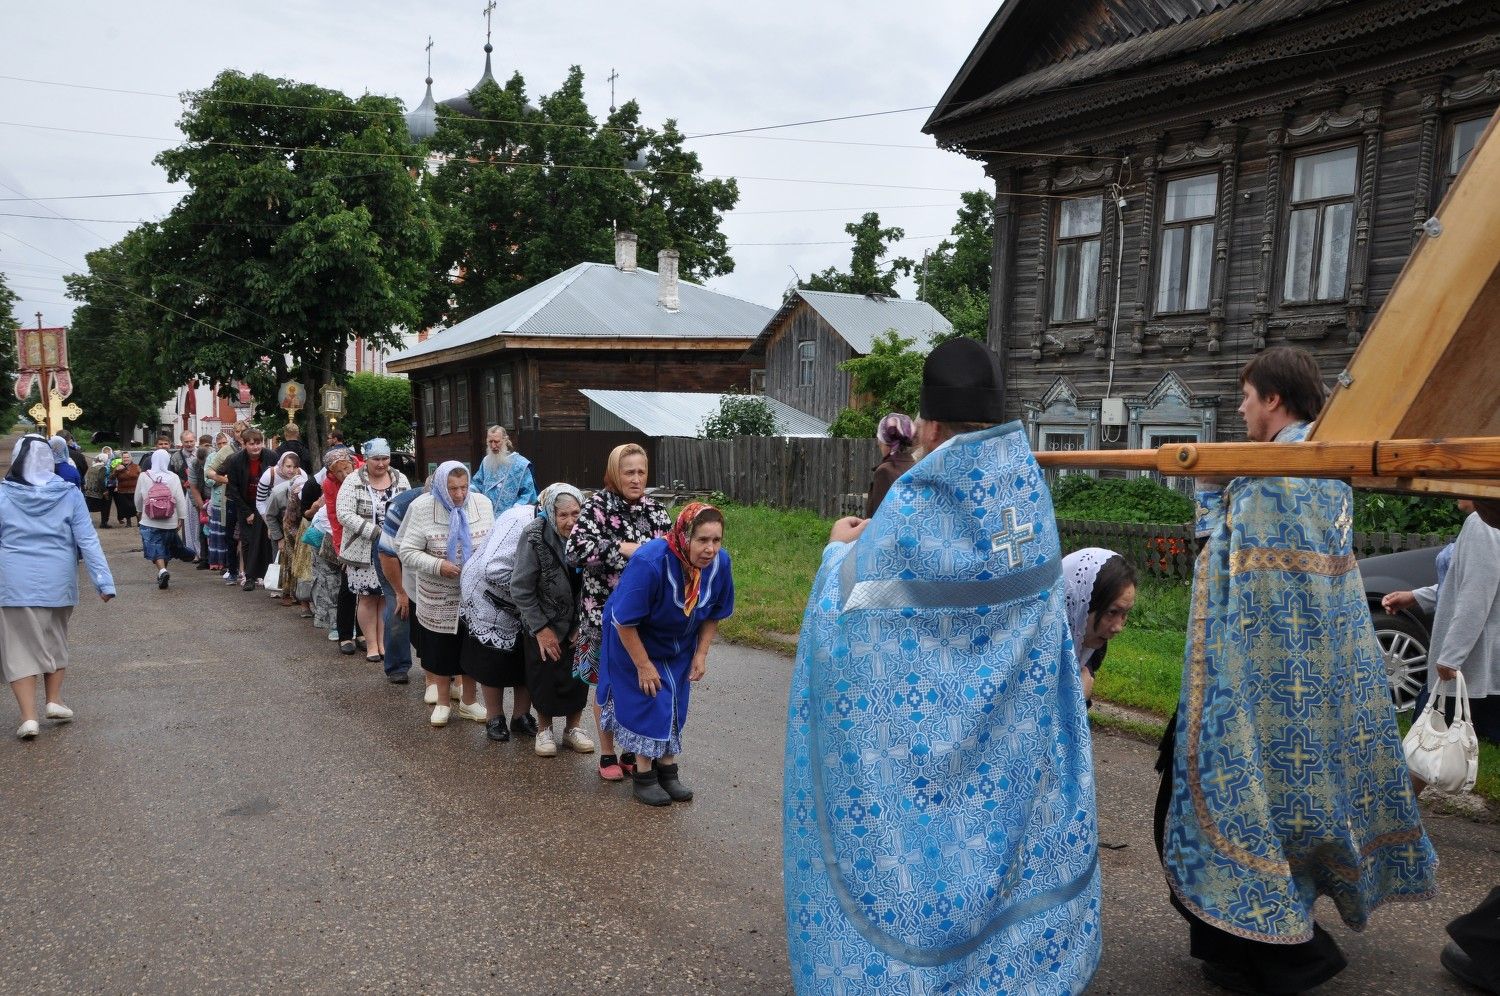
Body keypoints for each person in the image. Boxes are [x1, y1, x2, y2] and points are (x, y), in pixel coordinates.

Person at [783, 337, 1100, 994]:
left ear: (927, 423)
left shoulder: (915, 499)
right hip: (1010, 745)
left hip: (924, 759)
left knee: (925, 876)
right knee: (1000, 859)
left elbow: (853, 613)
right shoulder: (1027, 492)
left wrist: (834, 554)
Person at [1157, 346, 1437, 995]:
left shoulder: (1275, 472)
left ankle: (1286, 953)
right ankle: (1236, 950)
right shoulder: (1328, 465)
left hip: (1251, 682)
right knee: (1289, 810)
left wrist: (1208, 491)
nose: (1241, 409)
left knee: (1232, 807)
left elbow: (1221, 567)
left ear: (1274, 400)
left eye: (1247, 397)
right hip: (1316, 683)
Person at [599, 503, 732, 806]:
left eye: (717, 540)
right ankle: (644, 775)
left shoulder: (720, 565)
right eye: (702, 540)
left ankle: (667, 770)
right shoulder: (651, 562)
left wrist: (701, 654)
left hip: (678, 643)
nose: (710, 549)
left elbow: (714, 612)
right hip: (633, 637)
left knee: (675, 702)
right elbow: (625, 620)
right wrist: (643, 665)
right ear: (686, 536)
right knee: (650, 698)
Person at [566, 443, 672, 781]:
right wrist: (622, 549)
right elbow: (576, 549)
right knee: (607, 686)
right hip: (602, 614)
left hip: (645, 618)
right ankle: (607, 753)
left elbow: (672, 553)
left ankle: (631, 750)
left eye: (642, 472)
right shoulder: (596, 506)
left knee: (638, 684)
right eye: (629, 472)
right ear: (615, 473)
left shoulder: (656, 510)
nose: (637, 478)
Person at [0, 436, 115, 739]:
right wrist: (103, 582)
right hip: (58, 579)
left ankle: (28, 718)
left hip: (14, 581)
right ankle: (54, 700)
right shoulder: (67, 493)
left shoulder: (3, 494)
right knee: (55, 638)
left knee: (18, 647)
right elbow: (87, 539)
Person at [1383, 498, 1500, 751]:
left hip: (1472, 662)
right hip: (1475, 662)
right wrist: (1415, 596)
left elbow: (1476, 593)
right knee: (1427, 745)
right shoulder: (1483, 522)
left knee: (1422, 745)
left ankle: (1401, 792)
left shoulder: (1483, 523)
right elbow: (1460, 583)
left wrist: (1451, 657)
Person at [398, 461, 494, 726]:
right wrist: (438, 565)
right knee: (440, 650)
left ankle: (469, 701)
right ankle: (442, 703)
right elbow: (406, 550)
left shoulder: (482, 503)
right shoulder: (422, 507)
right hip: (438, 593)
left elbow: (492, 541)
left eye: (464, 487)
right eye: (453, 489)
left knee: (472, 647)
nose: (460, 494)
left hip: (474, 593)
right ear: (441, 485)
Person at [512, 483, 594, 758]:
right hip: (543, 620)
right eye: (563, 515)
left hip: (580, 619)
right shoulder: (534, 535)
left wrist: (582, 624)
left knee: (577, 674)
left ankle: (573, 729)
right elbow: (520, 587)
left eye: (576, 513)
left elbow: (598, 581)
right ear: (551, 513)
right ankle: (544, 730)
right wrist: (541, 629)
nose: (571, 521)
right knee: (544, 673)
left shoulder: (589, 535)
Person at [458, 503, 538, 740]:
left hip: (525, 598)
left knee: (527, 656)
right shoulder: (519, 520)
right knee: (493, 657)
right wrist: (528, 597)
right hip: (488, 592)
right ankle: (495, 717)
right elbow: (493, 569)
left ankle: (521, 716)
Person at [337, 439, 410, 665]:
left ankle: (384, 642)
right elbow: (344, 513)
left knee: (386, 597)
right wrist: (376, 532)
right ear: (366, 459)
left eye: (385, 458)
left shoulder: (400, 478)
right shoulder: (353, 480)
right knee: (367, 597)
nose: (381, 464)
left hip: (392, 549)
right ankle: (371, 644)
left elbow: (409, 507)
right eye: (376, 459)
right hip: (363, 547)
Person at [1062, 548, 1137, 707]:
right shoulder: (1033, 659)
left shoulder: (1089, 650)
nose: (1118, 627)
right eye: (1112, 612)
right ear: (1079, 605)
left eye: (1124, 614)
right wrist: (1075, 700)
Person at [377, 473, 427, 685]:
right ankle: (397, 666)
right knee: (400, 609)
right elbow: (387, 554)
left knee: (429, 608)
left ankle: (435, 663)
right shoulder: (401, 507)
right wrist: (401, 592)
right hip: (391, 556)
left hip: (422, 558)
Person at [225, 429, 275, 592]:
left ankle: (268, 575)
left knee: (268, 540)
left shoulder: (271, 457)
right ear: (244, 444)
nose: (255, 447)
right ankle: (249, 576)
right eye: (251, 444)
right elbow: (233, 489)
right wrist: (247, 513)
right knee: (247, 541)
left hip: (268, 504)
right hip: (245, 503)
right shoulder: (235, 460)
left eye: (258, 443)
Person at [134, 450, 189, 590]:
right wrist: (181, 517)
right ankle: (163, 572)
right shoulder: (174, 477)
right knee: (165, 546)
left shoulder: (144, 476)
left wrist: (139, 511)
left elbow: (138, 497)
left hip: (149, 519)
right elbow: (180, 499)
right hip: (170, 520)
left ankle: (162, 571)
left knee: (154, 546)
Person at [262, 452, 309, 607]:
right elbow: (269, 516)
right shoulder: (278, 492)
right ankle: (285, 592)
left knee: (300, 561)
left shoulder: (305, 486)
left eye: (295, 467)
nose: (291, 470)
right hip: (283, 528)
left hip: (300, 527)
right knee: (284, 561)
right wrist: (279, 537)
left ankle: (300, 594)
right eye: (288, 466)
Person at [470, 424, 537, 513]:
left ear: (505, 440)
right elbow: (477, 484)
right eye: (490, 442)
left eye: (496, 441)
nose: (493, 446)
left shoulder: (520, 464)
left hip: (511, 518)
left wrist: (514, 512)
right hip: (487, 516)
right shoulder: (486, 462)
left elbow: (529, 493)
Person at [865, 412, 916, 517]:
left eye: (879, 437)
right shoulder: (916, 465)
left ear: (884, 439)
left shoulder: (885, 471)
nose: (878, 442)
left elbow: (880, 516)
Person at [203, 430, 235, 579]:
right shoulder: (212, 457)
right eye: (219, 443)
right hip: (217, 499)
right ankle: (218, 562)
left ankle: (229, 562)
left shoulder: (233, 456)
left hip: (231, 497)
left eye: (224, 443)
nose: (222, 446)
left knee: (229, 532)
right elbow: (208, 480)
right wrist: (222, 478)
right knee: (217, 533)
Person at [112, 450, 140, 527]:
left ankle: (139, 522)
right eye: (124, 457)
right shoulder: (118, 467)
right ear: (122, 458)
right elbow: (111, 478)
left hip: (134, 490)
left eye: (127, 457)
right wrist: (116, 470)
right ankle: (128, 523)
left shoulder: (136, 467)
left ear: (130, 458)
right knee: (126, 507)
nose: (126, 459)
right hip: (123, 491)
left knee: (135, 506)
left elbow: (141, 477)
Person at [83, 453, 111, 528]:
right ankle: (104, 523)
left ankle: (85, 522)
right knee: (105, 506)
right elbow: (100, 479)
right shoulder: (102, 468)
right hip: (98, 491)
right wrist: (104, 490)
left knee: (88, 507)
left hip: (89, 491)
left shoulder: (92, 467)